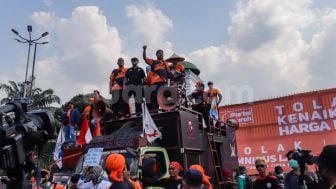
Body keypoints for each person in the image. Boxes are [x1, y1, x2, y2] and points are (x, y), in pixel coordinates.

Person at [142, 45, 170, 110]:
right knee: (154, 98)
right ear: (156, 54)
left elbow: (169, 72)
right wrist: (144, 49)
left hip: (163, 82)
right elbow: (145, 58)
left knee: (164, 97)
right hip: (154, 83)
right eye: (160, 53)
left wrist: (165, 63)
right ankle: (155, 111)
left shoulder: (165, 62)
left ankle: (165, 111)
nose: (162, 55)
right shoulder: (153, 62)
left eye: (162, 53)